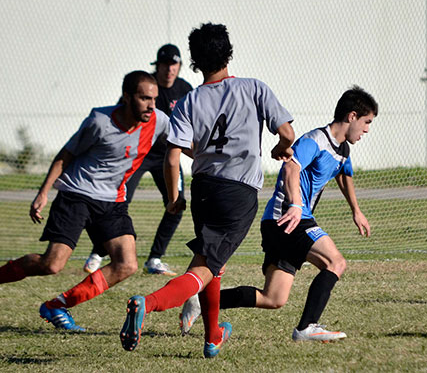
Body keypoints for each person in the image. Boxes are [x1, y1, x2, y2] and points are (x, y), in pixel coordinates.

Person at [120, 22, 295, 358]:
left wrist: (174, 199)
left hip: (203, 188)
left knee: (210, 260)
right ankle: (149, 303)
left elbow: (172, 158)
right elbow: (286, 132)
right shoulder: (254, 88)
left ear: (195, 61)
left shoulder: (188, 101)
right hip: (238, 192)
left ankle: (213, 335)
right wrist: (277, 148)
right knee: (204, 268)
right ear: (228, 52)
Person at [179, 86, 377, 342]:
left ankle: (201, 301)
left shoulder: (342, 150)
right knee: (335, 262)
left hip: (283, 221)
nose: (367, 130)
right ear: (352, 116)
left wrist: (356, 210)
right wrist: (295, 205)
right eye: (367, 122)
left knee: (273, 298)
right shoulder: (314, 140)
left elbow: (344, 173)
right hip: (287, 216)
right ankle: (307, 327)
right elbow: (290, 168)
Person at [0, 71, 168, 331]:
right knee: (52, 264)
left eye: (154, 99)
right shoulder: (99, 121)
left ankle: (58, 305)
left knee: (127, 264)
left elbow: (185, 142)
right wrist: (43, 192)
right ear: (127, 97)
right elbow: (65, 155)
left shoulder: (158, 121)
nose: (151, 105)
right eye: (145, 98)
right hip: (77, 194)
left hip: (112, 201)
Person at [83, 44, 193, 276]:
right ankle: (98, 253)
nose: (169, 70)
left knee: (177, 203)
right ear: (158, 66)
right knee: (118, 202)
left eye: (174, 64)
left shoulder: (185, 89)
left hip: (167, 156)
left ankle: (154, 259)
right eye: (165, 65)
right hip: (138, 154)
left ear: (179, 66)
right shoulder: (145, 85)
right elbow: (122, 113)